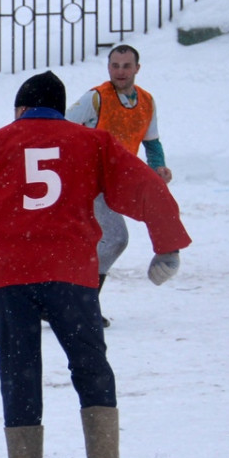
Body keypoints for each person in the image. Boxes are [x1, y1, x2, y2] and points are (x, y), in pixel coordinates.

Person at [0, 71, 191, 458]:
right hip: (71, 272)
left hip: (8, 276)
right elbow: (145, 187)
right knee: (90, 367)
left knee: (19, 374)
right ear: (60, 110)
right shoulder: (90, 142)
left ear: (21, 109)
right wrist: (167, 242)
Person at [66, 45, 172, 323]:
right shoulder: (96, 98)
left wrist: (157, 167)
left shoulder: (146, 101)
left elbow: (152, 142)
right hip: (88, 180)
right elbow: (61, 128)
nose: (120, 71)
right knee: (114, 238)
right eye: (115, 65)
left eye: (126, 66)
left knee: (93, 241)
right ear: (108, 68)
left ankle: (71, 304)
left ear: (137, 68)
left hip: (114, 182)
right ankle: (79, 305)